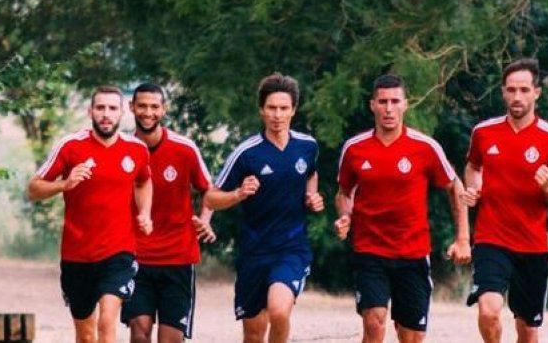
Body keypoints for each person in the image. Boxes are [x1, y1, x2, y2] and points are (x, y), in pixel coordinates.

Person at [334, 74, 472, 343]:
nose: (388, 108)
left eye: (394, 101)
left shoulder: (425, 147)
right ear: (372, 104)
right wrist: (345, 216)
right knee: (374, 323)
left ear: (405, 105)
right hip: (370, 251)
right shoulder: (354, 149)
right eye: (382, 101)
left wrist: (463, 239)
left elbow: (455, 186)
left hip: (413, 254)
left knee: (411, 337)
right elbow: (344, 193)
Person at [205, 73, 325, 343]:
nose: (277, 115)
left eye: (284, 108)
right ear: (261, 110)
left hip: (292, 248)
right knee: (254, 333)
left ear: (293, 110)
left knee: (279, 311)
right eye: (271, 108)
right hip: (255, 252)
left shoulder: (307, 146)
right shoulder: (247, 152)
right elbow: (211, 198)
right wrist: (238, 193)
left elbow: (311, 174)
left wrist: (312, 196)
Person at [28, 86, 154, 343]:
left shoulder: (136, 149)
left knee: (107, 321)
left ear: (122, 112)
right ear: (90, 112)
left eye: (112, 108)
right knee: (86, 336)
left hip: (119, 252)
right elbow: (33, 189)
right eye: (100, 108)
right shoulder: (70, 146)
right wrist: (64, 184)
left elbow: (143, 182)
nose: (106, 114)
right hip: (77, 255)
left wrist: (145, 212)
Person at [460, 58, 548, 343]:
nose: (517, 96)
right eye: (511, 90)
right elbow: (473, 168)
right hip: (491, 239)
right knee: (489, 311)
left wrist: (547, 187)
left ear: (537, 92)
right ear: (503, 92)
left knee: (528, 330)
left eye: (523, 90)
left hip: (532, 245)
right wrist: (475, 188)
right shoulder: (484, 133)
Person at [121, 82, 217, 343]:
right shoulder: (122, 149)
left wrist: (204, 220)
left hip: (178, 258)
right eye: (142, 106)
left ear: (164, 110)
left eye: (154, 106)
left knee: (170, 340)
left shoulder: (184, 148)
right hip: (135, 257)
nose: (147, 112)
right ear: (132, 107)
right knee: (139, 334)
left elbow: (209, 190)